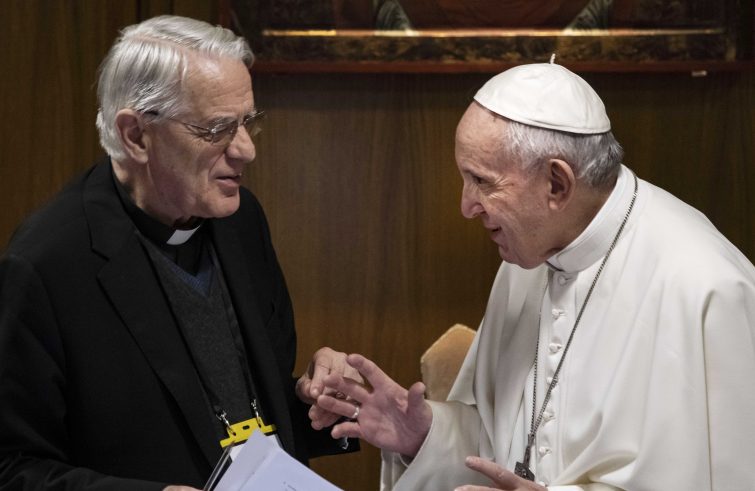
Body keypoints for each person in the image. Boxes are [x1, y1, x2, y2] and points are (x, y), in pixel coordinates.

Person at [310, 60, 755, 490]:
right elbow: (503, 442)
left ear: (557, 184)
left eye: (482, 181)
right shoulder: (529, 254)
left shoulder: (707, 288)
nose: (467, 206)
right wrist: (425, 436)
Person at [0, 15, 356, 491]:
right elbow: (13, 467)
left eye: (248, 123)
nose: (246, 150)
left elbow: (236, 408)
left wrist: (318, 401)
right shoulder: (45, 265)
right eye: (216, 129)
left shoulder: (241, 220)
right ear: (136, 135)